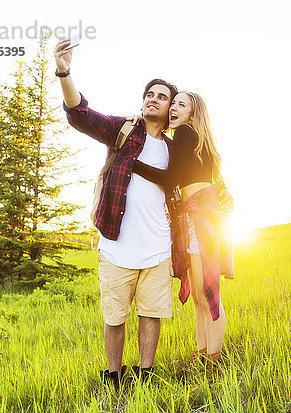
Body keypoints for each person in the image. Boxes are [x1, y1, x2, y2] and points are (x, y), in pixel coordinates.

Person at [53, 38, 178, 388]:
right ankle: (114, 375)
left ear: (170, 109)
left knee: (151, 313)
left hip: (157, 247)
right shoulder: (123, 130)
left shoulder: (173, 148)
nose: (152, 99)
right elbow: (80, 115)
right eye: (149, 94)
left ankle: (146, 373)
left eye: (161, 96)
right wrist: (64, 70)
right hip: (115, 245)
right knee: (115, 315)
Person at [132, 91, 234, 363]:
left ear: (193, 112)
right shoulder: (197, 139)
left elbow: (171, 178)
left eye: (181, 104)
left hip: (200, 218)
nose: (174, 108)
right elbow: (213, 182)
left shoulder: (186, 133)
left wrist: (132, 163)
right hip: (199, 217)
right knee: (202, 295)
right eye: (173, 103)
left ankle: (214, 358)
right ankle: (203, 353)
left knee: (208, 293)